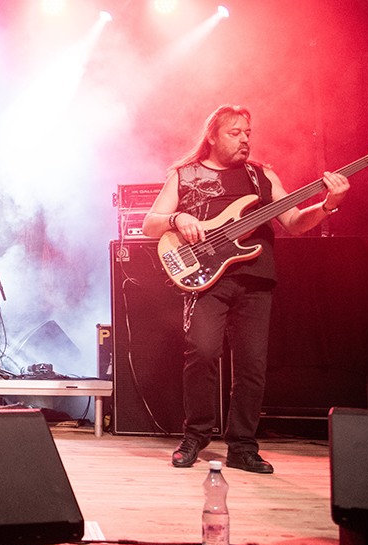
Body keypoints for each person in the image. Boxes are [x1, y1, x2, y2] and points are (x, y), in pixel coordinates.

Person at [142, 104, 349, 474]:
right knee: (202, 353)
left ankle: (242, 446)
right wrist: (178, 217)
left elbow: (295, 222)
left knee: (252, 365)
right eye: (234, 133)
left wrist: (328, 205)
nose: (244, 140)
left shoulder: (261, 175)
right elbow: (149, 224)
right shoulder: (185, 174)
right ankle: (195, 436)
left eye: (247, 133)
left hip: (256, 280)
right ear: (212, 136)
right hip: (207, 278)